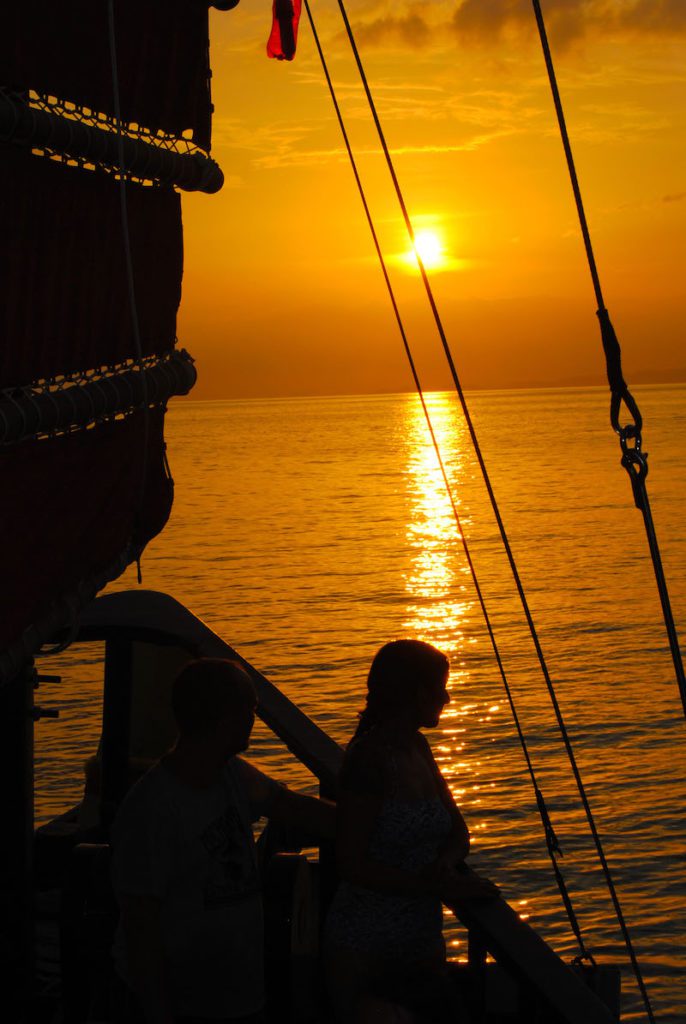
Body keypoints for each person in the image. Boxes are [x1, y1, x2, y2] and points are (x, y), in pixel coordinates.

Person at [110, 657, 335, 1024]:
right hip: (186, 1006)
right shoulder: (152, 808)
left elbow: (292, 807)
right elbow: (141, 929)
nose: (254, 718)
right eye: (250, 709)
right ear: (226, 716)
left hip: (240, 997)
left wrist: (371, 822)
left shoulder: (233, 775)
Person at [324, 640, 498, 1024]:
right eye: (440, 688)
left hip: (421, 941)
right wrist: (437, 888)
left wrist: (445, 863)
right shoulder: (368, 760)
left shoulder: (418, 747)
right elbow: (351, 864)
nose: (447, 698)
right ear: (417, 693)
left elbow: (458, 832)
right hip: (366, 946)